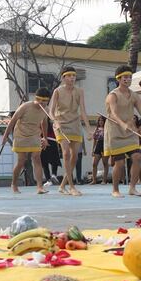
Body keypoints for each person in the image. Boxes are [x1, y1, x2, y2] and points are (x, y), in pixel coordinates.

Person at [50, 66, 93, 196]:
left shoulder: (80, 91)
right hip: (61, 125)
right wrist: (55, 121)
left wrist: (89, 129)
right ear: (63, 78)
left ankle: (62, 185)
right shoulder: (57, 91)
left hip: (75, 124)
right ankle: (71, 186)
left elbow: (83, 112)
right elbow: (50, 112)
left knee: (75, 156)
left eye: (73, 76)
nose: (72, 78)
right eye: (69, 76)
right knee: (66, 154)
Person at [1, 87, 50, 194]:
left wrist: (45, 138)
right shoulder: (25, 106)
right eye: (40, 100)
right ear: (36, 99)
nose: (42, 103)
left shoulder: (46, 110)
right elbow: (13, 120)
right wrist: (5, 136)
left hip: (35, 135)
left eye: (45, 101)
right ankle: (14, 184)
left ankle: (40, 187)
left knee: (37, 158)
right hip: (21, 134)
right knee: (21, 161)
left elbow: (44, 123)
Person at [104, 65, 141, 198]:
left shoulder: (134, 95)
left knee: (137, 157)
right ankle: (115, 189)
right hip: (115, 131)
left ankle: (132, 187)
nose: (128, 79)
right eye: (125, 77)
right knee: (119, 163)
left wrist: (129, 124)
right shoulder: (113, 95)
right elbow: (113, 114)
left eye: (130, 77)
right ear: (118, 78)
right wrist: (123, 124)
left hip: (130, 130)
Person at [41, 120, 61, 186]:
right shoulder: (53, 120)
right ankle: (54, 174)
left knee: (44, 162)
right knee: (54, 159)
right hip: (53, 140)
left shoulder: (41, 118)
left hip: (43, 140)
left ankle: (48, 180)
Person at [90, 116, 109, 185]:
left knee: (105, 163)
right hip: (98, 146)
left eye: (102, 120)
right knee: (94, 164)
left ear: (104, 121)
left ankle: (104, 180)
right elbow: (94, 140)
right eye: (99, 120)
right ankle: (94, 180)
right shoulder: (96, 129)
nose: (100, 122)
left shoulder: (107, 128)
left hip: (105, 146)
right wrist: (93, 150)